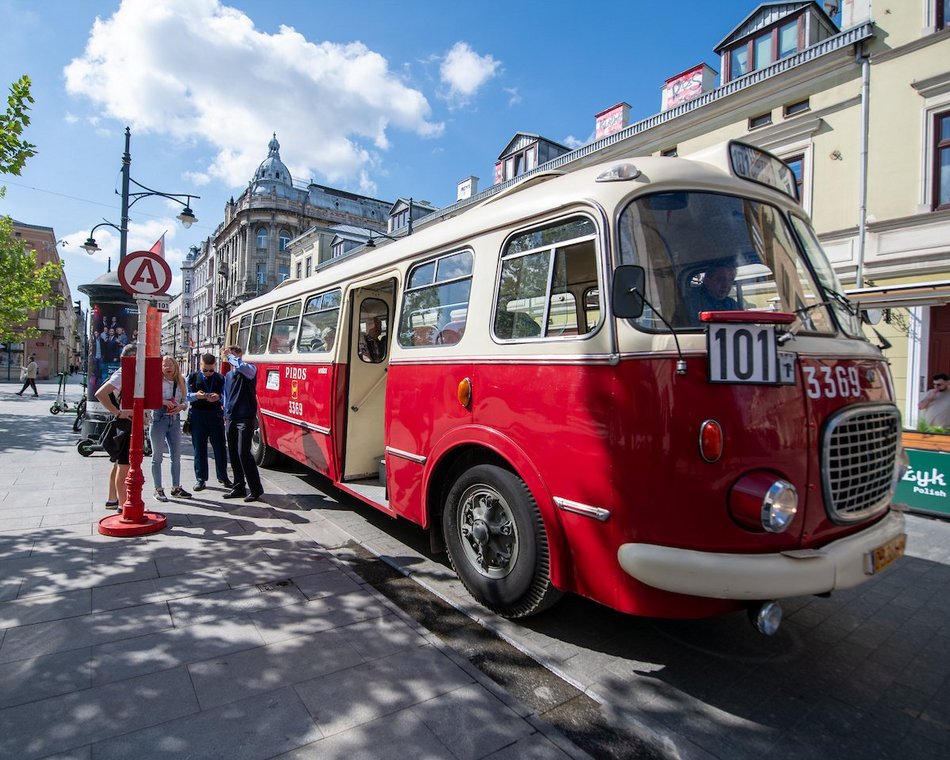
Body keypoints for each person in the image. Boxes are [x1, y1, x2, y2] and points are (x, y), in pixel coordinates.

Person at [95, 343, 138, 510]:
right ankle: (123, 503)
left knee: (118, 464)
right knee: (124, 465)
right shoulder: (123, 373)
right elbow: (100, 393)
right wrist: (117, 412)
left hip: (126, 423)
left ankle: (113, 499)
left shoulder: (131, 374)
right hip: (125, 423)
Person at [221, 344, 264, 502]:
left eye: (234, 355)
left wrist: (231, 357)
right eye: (228, 355)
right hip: (231, 417)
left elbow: (244, 368)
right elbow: (226, 395)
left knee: (243, 453)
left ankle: (256, 489)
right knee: (233, 453)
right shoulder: (228, 376)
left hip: (245, 417)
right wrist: (225, 411)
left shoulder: (249, 370)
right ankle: (238, 486)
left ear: (240, 355)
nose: (231, 358)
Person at [186, 353, 232, 491]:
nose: (208, 373)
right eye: (205, 370)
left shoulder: (220, 378)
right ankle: (200, 479)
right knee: (199, 448)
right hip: (198, 415)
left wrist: (218, 397)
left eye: (211, 370)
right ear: (200, 366)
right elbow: (185, 396)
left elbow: (226, 397)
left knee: (220, 448)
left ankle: (223, 477)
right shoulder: (192, 377)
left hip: (215, 415)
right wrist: (196, 396)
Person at [149, 356, 191, 503]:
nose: (168, 367)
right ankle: (158, 489)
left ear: (175, 366)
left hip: (174, 420)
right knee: (157, 457)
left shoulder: (181, 381)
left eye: (171, 364)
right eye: (165, 365)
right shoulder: (156, 380)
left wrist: (181, 406)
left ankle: (176, 487)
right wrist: (164, 402)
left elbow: (186, 400)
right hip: (159, 418)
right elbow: (149, 397)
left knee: (176, 456)